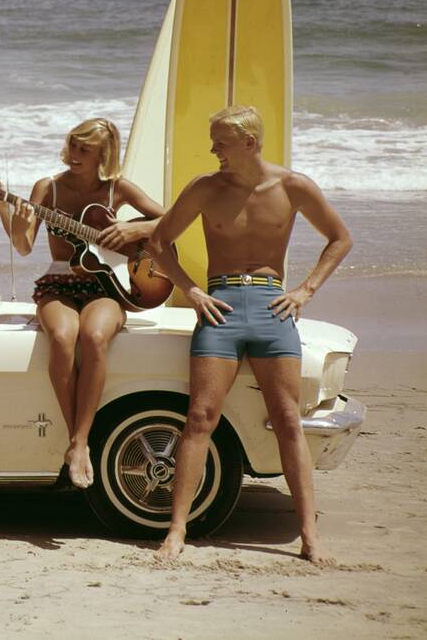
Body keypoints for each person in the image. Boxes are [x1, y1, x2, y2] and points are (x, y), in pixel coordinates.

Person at [148, 106, 351, 564]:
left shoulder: (292, 186)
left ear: (249, 143)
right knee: (200, 417)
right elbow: (158, 244)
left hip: (270, 307)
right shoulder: (204, 188)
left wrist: (304, 291)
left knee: (286, 418)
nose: (213, 150)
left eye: (220, 142)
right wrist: (193, 291)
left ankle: (309, 536)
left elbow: (340, 238)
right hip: (219, 309)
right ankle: (176, 530)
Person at [0, 118, 164, 489]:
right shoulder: (48, 188)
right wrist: (8, 212)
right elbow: (24, 247)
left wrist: (134, 229)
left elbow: (171, 219)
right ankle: (79, 443)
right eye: (73, 145)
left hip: (108, 285)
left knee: (93, 336)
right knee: (61, 335)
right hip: (59, 281)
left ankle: (78, 441)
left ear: (103, 155)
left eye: (84, 149)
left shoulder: (116, 189)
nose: (74, 154)